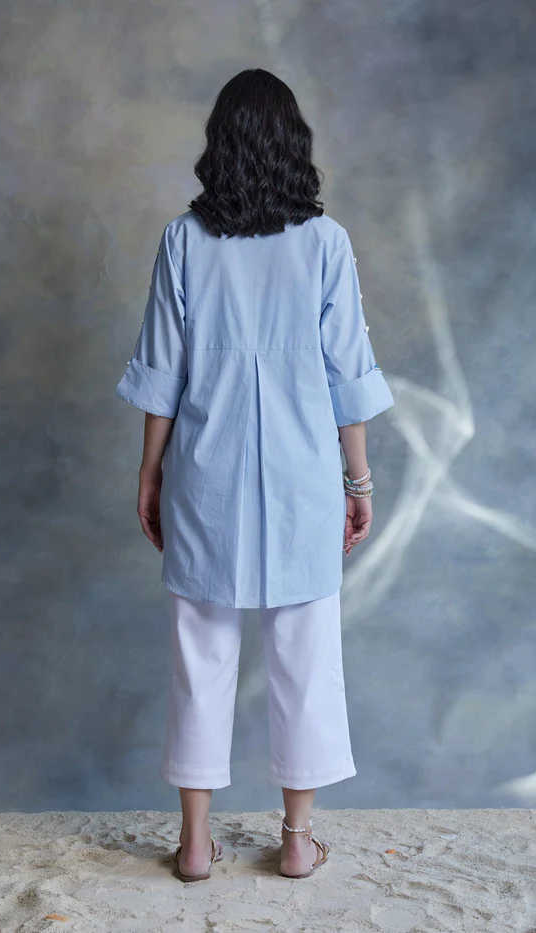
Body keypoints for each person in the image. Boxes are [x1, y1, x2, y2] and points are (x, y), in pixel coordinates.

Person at [115, 68, 395, 881]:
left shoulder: (183, 240)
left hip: (205, 471)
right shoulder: (325, 242)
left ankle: (195, 843)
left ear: (220, 146)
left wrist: (150, 473)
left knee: (199, 654)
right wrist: (358, 482)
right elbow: (348, 376)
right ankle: (298, 840)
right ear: (293, 146)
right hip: (303, 476)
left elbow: (162, 371)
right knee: (305, 657)